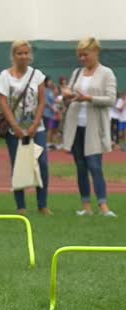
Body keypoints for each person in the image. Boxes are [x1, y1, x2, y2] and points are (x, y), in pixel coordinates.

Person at [61, 37, 117, 217]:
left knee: (95, 166)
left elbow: (111, 99)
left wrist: (89, 99)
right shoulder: (77, 73)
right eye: (80, 55)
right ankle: (86, 206)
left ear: (95, 52)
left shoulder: (106, 73)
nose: (82, 58)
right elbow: (68, 95)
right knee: (80, 167)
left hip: (94, 128)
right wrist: (67, 95)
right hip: (76, 125)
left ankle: (103, 206)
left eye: (85, 54)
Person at [0, 40, 50, 215]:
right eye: (20, 53)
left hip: (36, 127)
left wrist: (34, 124)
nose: (23, 56)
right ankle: (21, 206)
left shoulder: (37, 75)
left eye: (26, 53)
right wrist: (15, 126)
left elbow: (42, 101)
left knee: (42, 164)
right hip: (14, 129)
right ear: (13, 55)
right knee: (18, 165)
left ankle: (42, 204)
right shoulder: (5, 76)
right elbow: (3, 102)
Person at [42, 77, 61, 150]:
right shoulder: (45, 91)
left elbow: (55, 100)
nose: (50, 82)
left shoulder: (51, 90)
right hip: (48, 113)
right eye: (49, 81)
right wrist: (52, 108)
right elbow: (46, 102)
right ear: (46, 82)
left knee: (54, 129)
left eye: (51, 81)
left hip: (54, 114)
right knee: (50, 129)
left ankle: (53, 143)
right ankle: (48, 144)